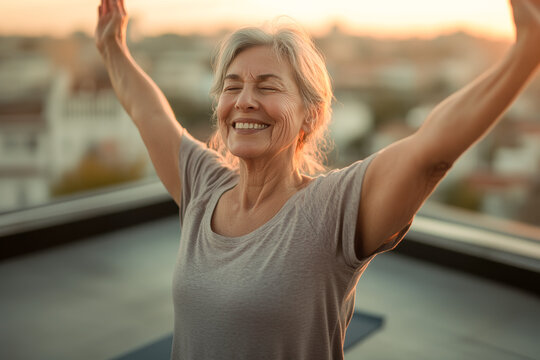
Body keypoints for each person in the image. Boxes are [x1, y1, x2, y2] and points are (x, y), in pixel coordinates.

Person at [95, 0, 540, 359]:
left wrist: (525, 53)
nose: (245, 100)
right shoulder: (203, 186)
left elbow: (431, 151)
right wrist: (113, 45)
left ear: (310, 114)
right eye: (232, 86)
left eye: (268, 86)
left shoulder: (331, 208)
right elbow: (147, 111)